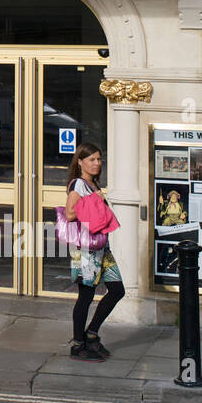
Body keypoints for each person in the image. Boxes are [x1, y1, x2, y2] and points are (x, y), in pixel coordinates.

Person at [65, 142, 124, 362]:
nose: (97, 163)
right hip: (86, 250)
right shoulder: (78, 185)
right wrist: (95, 200)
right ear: (80, 162)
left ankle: (91, 333)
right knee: (86, 296)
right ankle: (78, 344)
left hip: (101, 248)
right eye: (91, 159)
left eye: (99, 159)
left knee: (117, 290)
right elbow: (70, 214)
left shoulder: (91, 184)